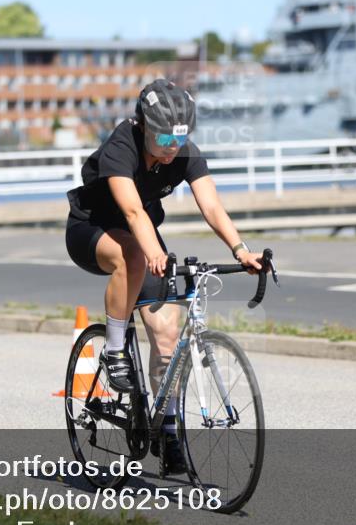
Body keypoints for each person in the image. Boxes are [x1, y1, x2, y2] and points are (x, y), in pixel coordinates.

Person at [65, 79, 264, 473]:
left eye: (180, 137)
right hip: (93, 229)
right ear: (143, 126)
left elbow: (212, 205)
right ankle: (116, 349)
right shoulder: (123, 145)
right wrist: (154, 251)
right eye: (164, 138)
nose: (173, 146)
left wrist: (241, 250)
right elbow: (134, 213)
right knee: (135, 257)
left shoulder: (183, 153)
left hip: (140, 236)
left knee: (167, 338)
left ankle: (168, 432)